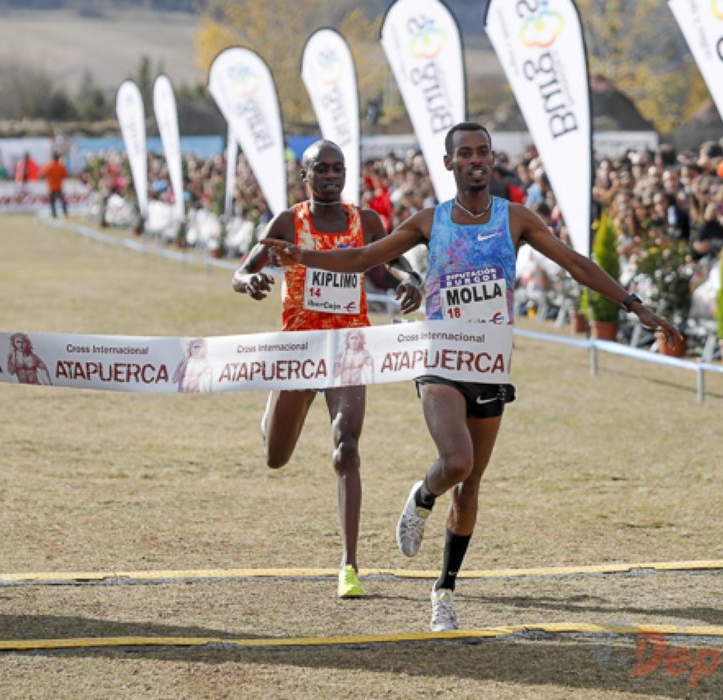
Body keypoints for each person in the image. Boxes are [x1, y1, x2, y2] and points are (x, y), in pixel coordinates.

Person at [264, 123, 680, 629]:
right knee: (456, 461)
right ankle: (422, 496)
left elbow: (574, 263)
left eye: (483, 152)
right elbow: (362, 258)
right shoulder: (427, 222)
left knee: (471, 482)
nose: (476, 160)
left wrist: (634, 305)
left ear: (491, 161)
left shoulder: (516, 219)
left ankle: (444, 589)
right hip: (440, 358)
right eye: (466, 153)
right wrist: (303, 256)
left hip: (490, 361)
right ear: (450, 164)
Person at [232, 139, 424, 599]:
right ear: (306, 176)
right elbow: (240, 272)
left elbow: (397, 261)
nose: (333, 176)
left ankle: (349, 565)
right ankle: (272, 412)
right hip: (299, 348)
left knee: (347, 446)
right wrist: (251, 280)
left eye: (339, 168)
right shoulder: (288, 222)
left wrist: (411, 280)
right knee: (276, 457)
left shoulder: (367, 222)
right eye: (323, 169)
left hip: (348, 344)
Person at [40, 152, 69, 218]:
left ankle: (54, 214)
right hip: (58, 186)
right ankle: (65, 212)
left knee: (52, 202)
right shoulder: (61, 166)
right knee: (62, 201)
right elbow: (65, 175)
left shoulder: (49, 166)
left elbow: (43, 174)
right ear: (58, 158)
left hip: (51, 187)